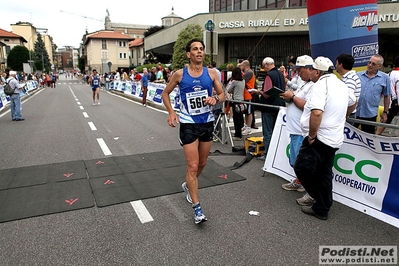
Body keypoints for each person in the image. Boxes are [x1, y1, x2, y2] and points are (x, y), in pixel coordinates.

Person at [161, 38, 225, 224]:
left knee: (203, 163)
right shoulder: (180, 75)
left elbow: (222, 95)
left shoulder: (212, 73)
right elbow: (165, 93)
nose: (199, 52)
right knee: (193, 166)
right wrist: (172, 112)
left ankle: (189, 184)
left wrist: (215, 99)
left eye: (201, 49)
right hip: (188, 123)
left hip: (206, 122)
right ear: (188, 54)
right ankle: (197, 209)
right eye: (195, 49)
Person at [294, 56, 356, 220]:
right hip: (334, 137)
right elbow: (354, 100)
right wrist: (344, 114)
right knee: (324, 172)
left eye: (312, 70)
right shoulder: (340, 84)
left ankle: (321, 201)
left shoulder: (321, 85)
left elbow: (316, 112)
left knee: (302, 167)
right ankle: (322, 205)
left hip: (320, 137)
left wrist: (312, 136)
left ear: (317, 71)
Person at [279, 55, 314, 202]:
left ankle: (309, 189)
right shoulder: (304, 83)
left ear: (309, 69)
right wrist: (289, 97)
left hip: (301, 130)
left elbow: (308, 106)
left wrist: (292, 97)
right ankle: (300, 181)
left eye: (300, 70)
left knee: (302, 161)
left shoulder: (313, 85)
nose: (298, 73)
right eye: (297, 70)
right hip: (294, 129)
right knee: (295, 160)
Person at [258, 57, 286, 160]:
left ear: (267, 64)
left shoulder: (269, 75)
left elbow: (267, 94)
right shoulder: (280, 74)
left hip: (269, 106)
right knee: (276, 131)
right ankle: (276, 154)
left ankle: (268, 155)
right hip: (279, 105)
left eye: (264, 66)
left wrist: (259, 91)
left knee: (268, 132)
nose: (264, 68)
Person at [355, 54, 391, 134]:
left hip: (370, 114)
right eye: (369, 62)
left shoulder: (385, 78)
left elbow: (387, 96)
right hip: (355, 112)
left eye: (373, 64)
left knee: (367, 139)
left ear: (380, 66)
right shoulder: (358, 75)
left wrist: (385, 112)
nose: (370, 65)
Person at [376, 56, 399, 135]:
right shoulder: (398, 75)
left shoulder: (389, 74)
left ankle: (376, 135)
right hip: (395, 101)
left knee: (386, 121)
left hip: (390, 100)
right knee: (387, 120)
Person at [335, 54, 361, 125]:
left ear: (340, 65)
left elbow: (350, 99)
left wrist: (346, 114)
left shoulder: (350, 79)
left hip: (347, 115)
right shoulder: (348, 77)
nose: (335, 66)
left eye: (337, 63)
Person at [227, 67, 245, 141]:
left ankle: (238, 134)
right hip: (242, 100)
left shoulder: (234, 81)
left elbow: (228, 90)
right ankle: (239, 133)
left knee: (236, 118)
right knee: (240, 117)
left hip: (235, 101)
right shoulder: (243, 80)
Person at [240, 60, 257, 133]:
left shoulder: (249, 72)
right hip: (246, 94)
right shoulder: (248, 72)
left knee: (249, 112)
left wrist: (239, 71)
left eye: (241, 65)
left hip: (248, 94)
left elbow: (241, 81)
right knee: (247, 111)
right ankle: (246, 125)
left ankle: (248, 127)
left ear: (244, 65)